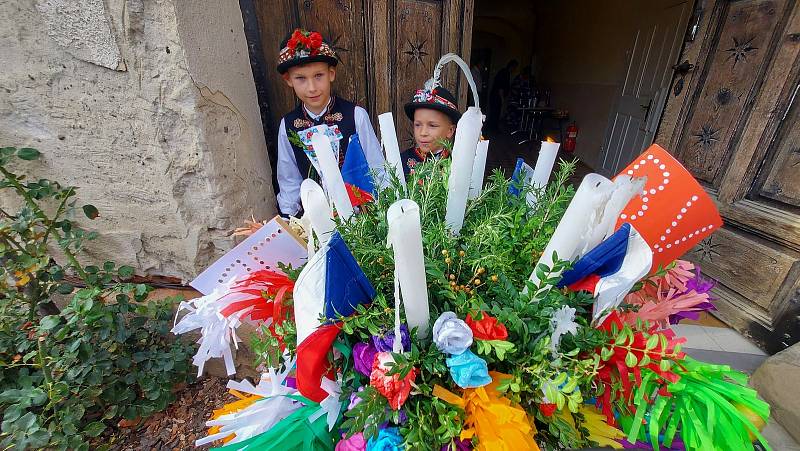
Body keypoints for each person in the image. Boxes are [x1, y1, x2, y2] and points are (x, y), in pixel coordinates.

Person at [275, 28, 384, 216]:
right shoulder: (288, 125)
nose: (312, 88)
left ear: (331, 73)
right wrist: (289, 219)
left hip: (360, 217)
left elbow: (377, 168)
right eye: (301, 78)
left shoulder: (355, 116)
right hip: (314, 219)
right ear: (288, 80)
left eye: (319, 76)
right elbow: (289, 178)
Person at [400, 86, 461, 176]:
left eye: (432, 125)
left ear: (450, 130)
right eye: (418, 125)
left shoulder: (457, 165)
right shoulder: (402, 161)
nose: (423, 133)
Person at [488, 59, 519, 130]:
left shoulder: (504, 72)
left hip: (496, 96)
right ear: (511, 66)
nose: (515, 69)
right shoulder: (505, 73)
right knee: (495, 113)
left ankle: (493, 128)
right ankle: (493, 129)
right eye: (515, 67)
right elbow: (501, 87)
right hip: (497, 97)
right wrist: (502, 99)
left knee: (494, 113)